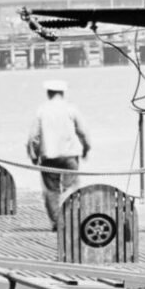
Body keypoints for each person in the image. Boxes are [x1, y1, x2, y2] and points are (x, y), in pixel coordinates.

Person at [27, 82, 92, 230]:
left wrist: (33, 155)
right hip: (70, 156)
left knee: (51, 190)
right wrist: (86, 149)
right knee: (72, 187)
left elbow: (33, 136)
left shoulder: (42, 110)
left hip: (49, 156)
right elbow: (83, 132)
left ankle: (57, 222)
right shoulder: (71, 109)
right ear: (63, 93)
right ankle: (71, 218)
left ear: (48, 93)